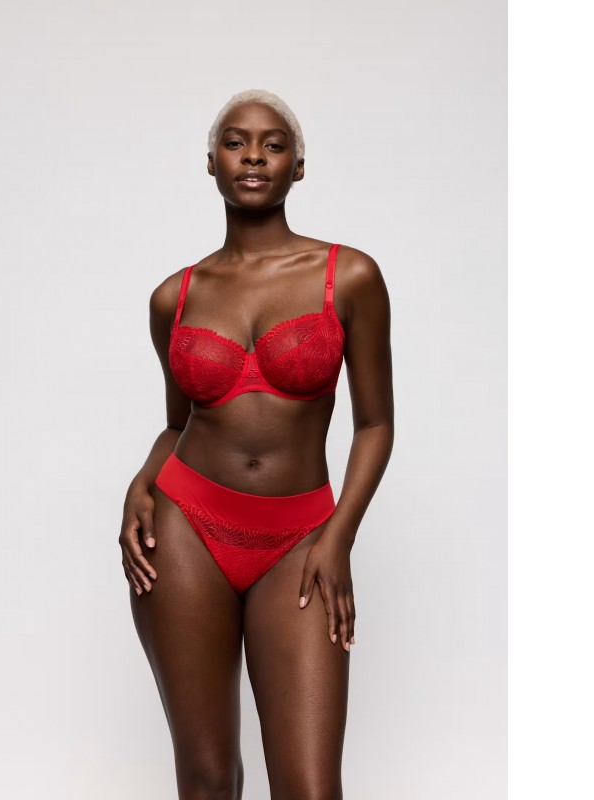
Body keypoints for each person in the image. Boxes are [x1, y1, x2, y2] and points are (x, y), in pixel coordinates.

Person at [119, 88, 394, 800]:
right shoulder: (174, 296)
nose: (253, 156)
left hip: (302, 539)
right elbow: (178, 423)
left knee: (309, 787)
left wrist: (338, 538)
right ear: (210, 161)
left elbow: (375, 424)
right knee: (208, 780)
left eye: (274, 145)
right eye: (235, 142)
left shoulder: (349, 275)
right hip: (184, 529)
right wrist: (141, 482)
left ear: (297, 166)